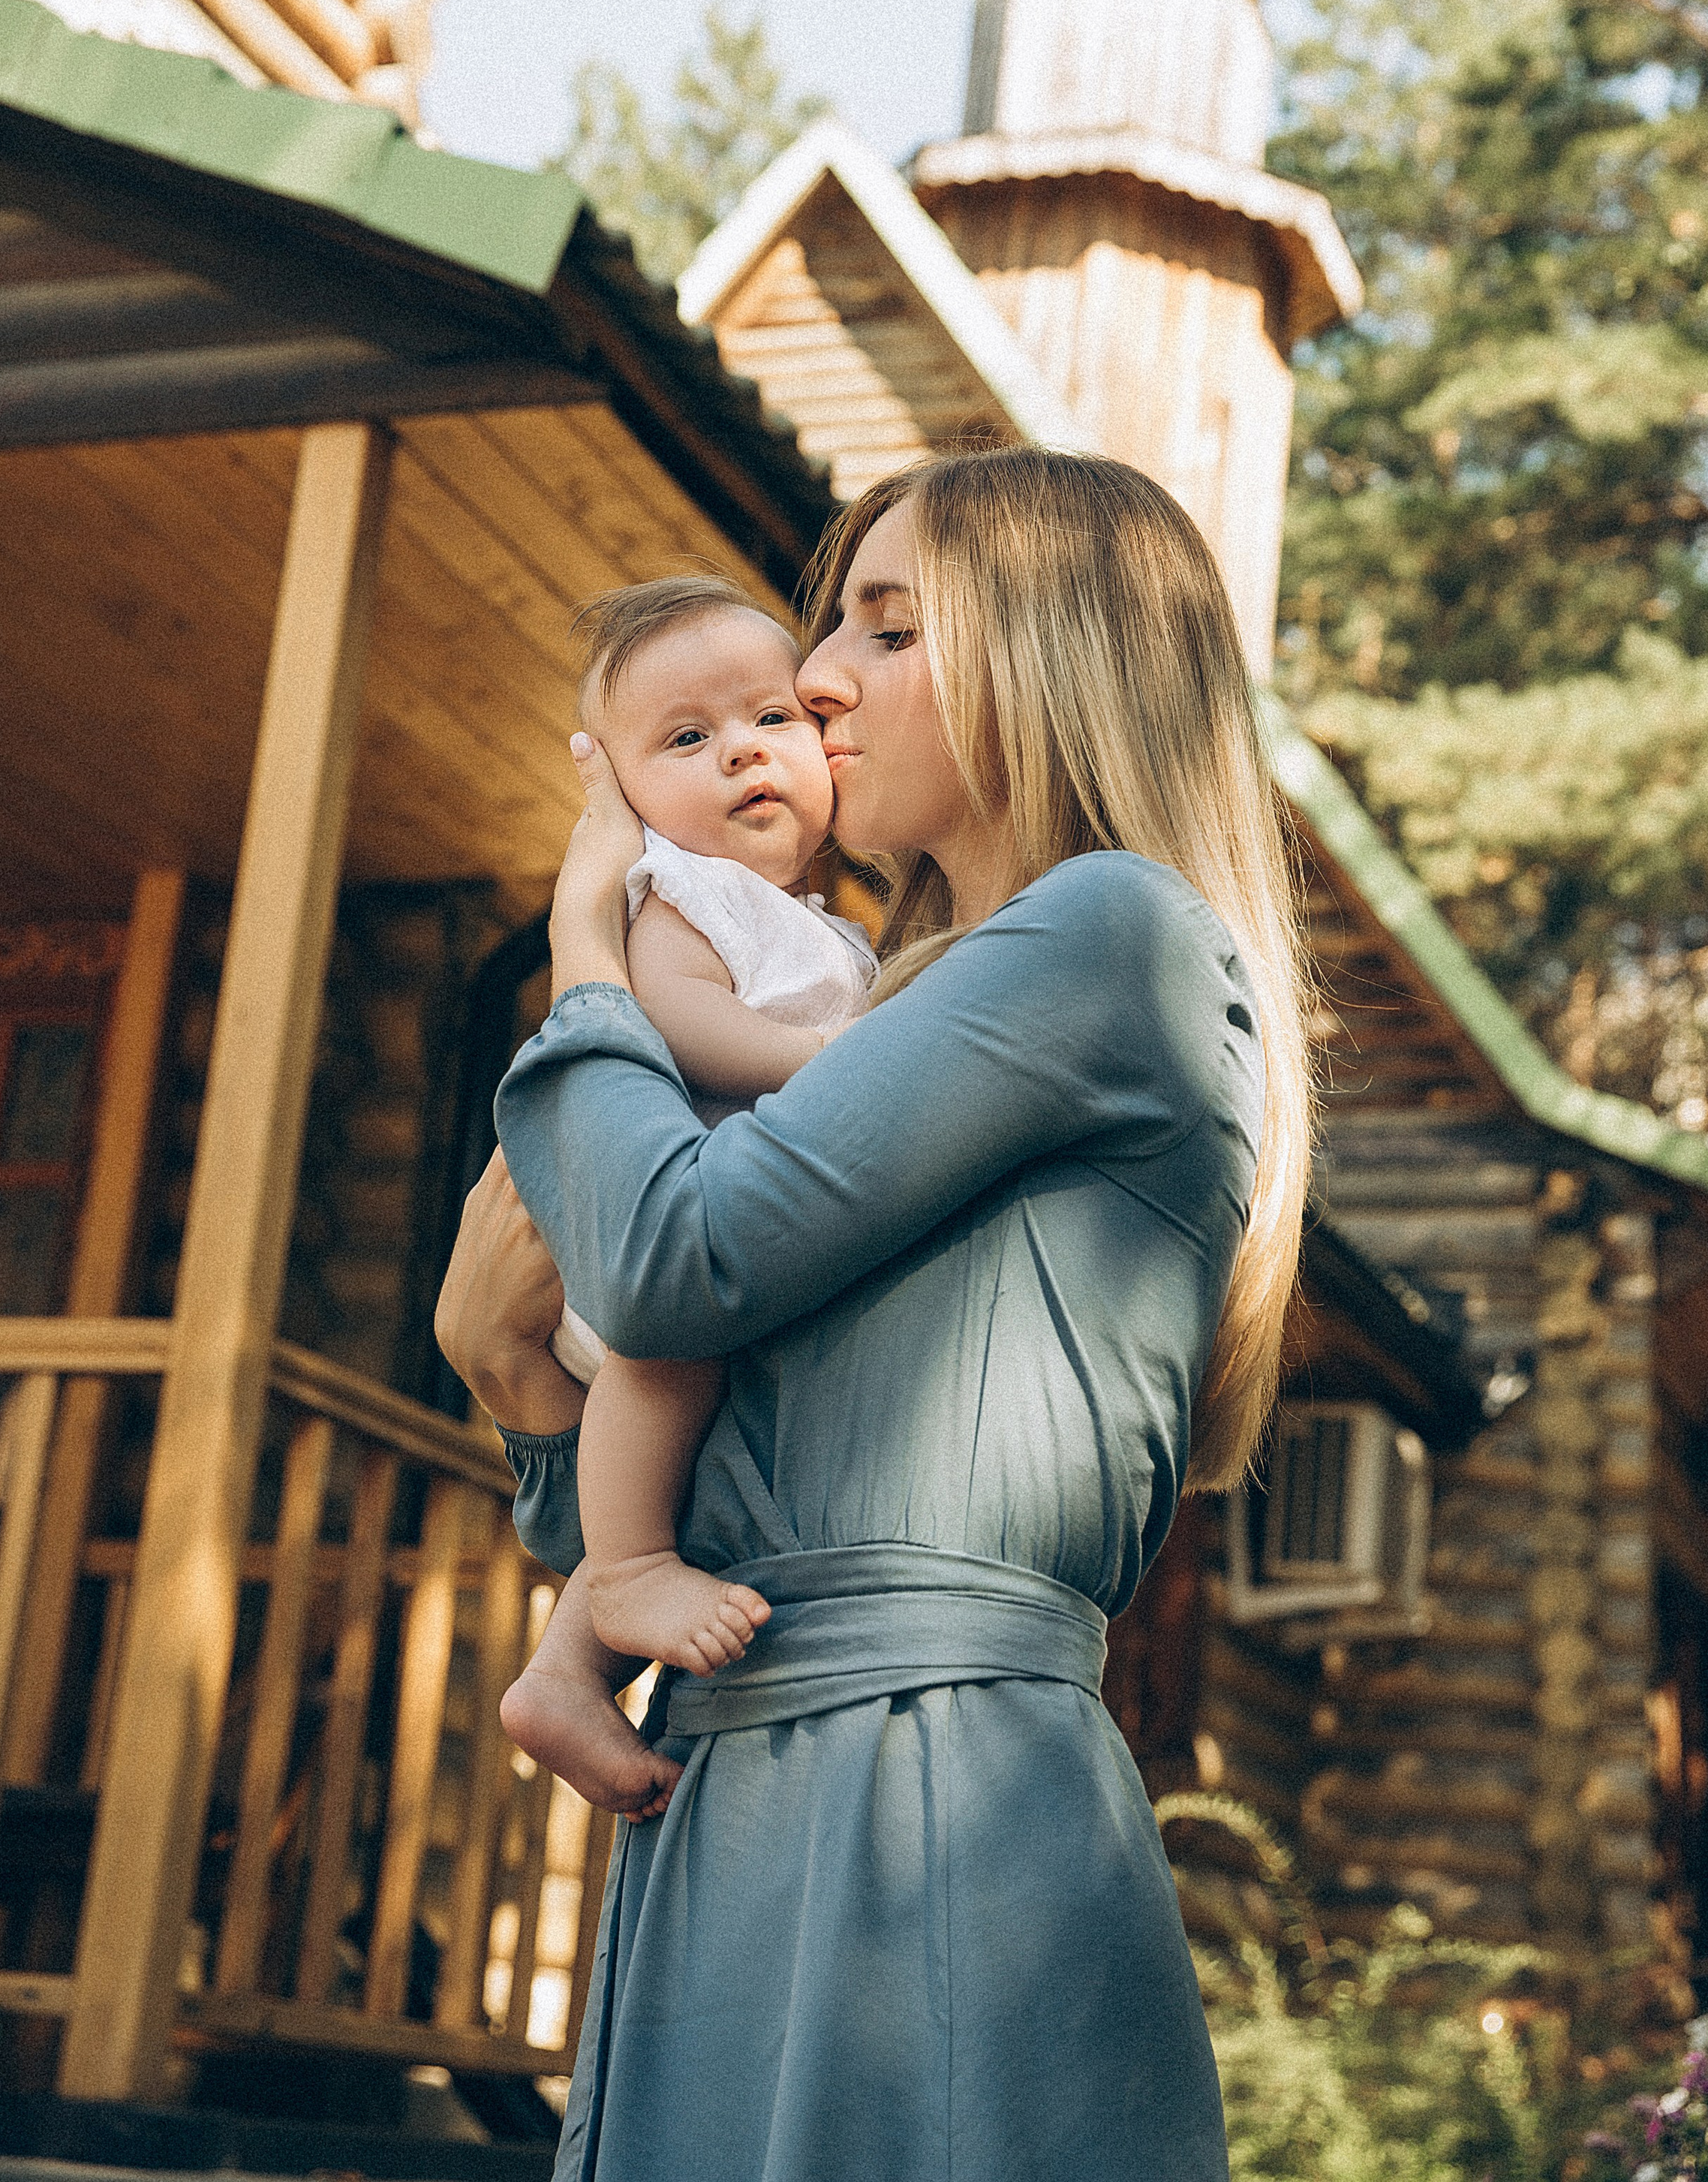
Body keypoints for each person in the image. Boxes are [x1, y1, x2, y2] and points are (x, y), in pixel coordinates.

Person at [435, 447, 1313, 2182]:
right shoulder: (876, 1010)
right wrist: (512, 1371)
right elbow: (685, 1463)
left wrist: (586, 949)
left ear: (1058, 663)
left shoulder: (1108, 933)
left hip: (927, 1799)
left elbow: (669, 1264)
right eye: (831, 618)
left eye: (887, 627)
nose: (816, 674)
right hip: (731, 1791)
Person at [499, 575, 877, 1807]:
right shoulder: (684, 896)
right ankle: (629, 1567)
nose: (742, 756)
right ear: (621, 796)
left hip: (739, 1235)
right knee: (674, 1363)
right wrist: (836, 1066)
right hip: (664, 1220)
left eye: (769, 719)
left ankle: (565, 1676)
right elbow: (680, 1023)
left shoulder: (824, 928)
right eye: (686, 740)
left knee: (707, 1408)